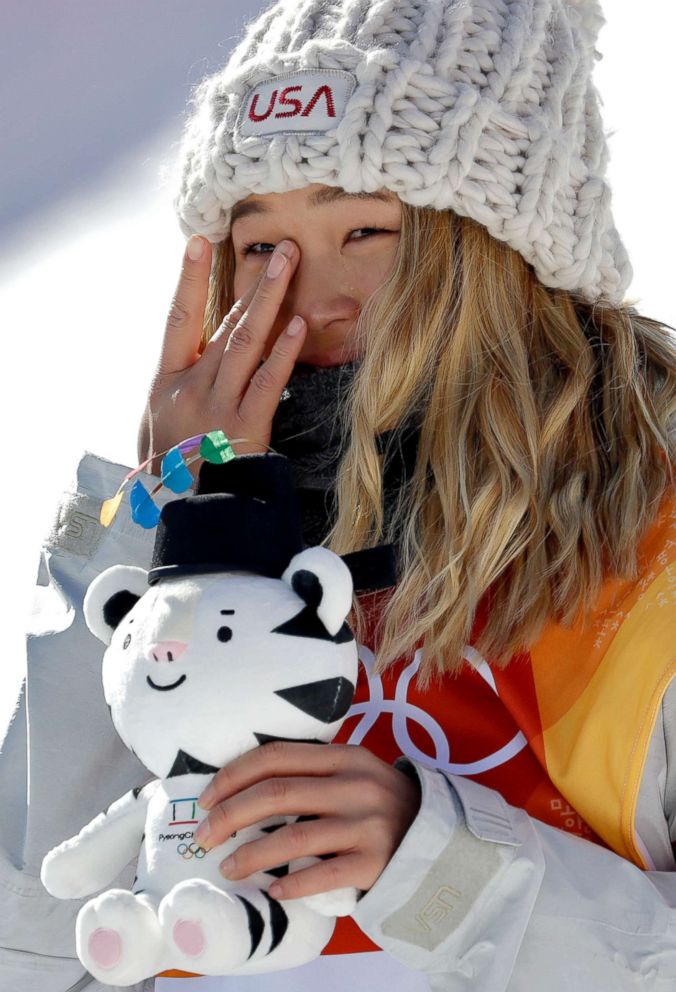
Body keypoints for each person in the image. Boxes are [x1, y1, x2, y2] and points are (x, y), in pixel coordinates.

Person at [1, 1, 674, 990]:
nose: (310, 296)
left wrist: (439, 867)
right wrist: (152, 529)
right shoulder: (190, 546)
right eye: (258, 244)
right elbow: (32, 951)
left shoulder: (651, 546)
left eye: (364, 226)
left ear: (509, 250)